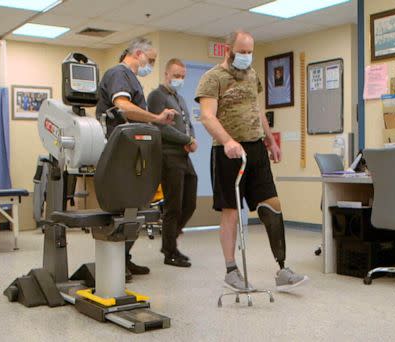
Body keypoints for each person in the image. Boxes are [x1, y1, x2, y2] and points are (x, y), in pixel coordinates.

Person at [195, 30, 308, 292]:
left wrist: (270, 140)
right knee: (231, 212)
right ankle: (231, 270)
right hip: (228, 153)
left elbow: (257, 110)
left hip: (256, 149)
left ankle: (282, 269)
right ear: (228, 50)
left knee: (273, 204)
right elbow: (208, 117)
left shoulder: (252, 75)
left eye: (250, 52)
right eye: (242, 52)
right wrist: (228, 141)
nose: (246, 57)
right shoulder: (212, 78)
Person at [96, 37, 177, 281]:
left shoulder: (133, 79)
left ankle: (124, 259)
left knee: (136, 206)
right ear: (138, 53)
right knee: (125, 206)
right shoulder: (118, 73)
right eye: (150, 60)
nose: (150, 64)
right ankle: (114, 262)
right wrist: (156, 118)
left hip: (130, 149)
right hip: (117, 149)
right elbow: (123, 107)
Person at [147, 58, 198, 268]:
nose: (180, 79)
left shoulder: (179, 98)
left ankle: (170, 241)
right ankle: (170, 251)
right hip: (168, 155)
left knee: (189, 203)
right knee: (173, 205)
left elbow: (188, 124)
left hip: (183, 155)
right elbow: (160, 125)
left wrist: (191, 138)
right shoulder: (156, 96)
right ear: (166, 74)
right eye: (176, 75)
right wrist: (187, 140)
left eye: (183, 76)